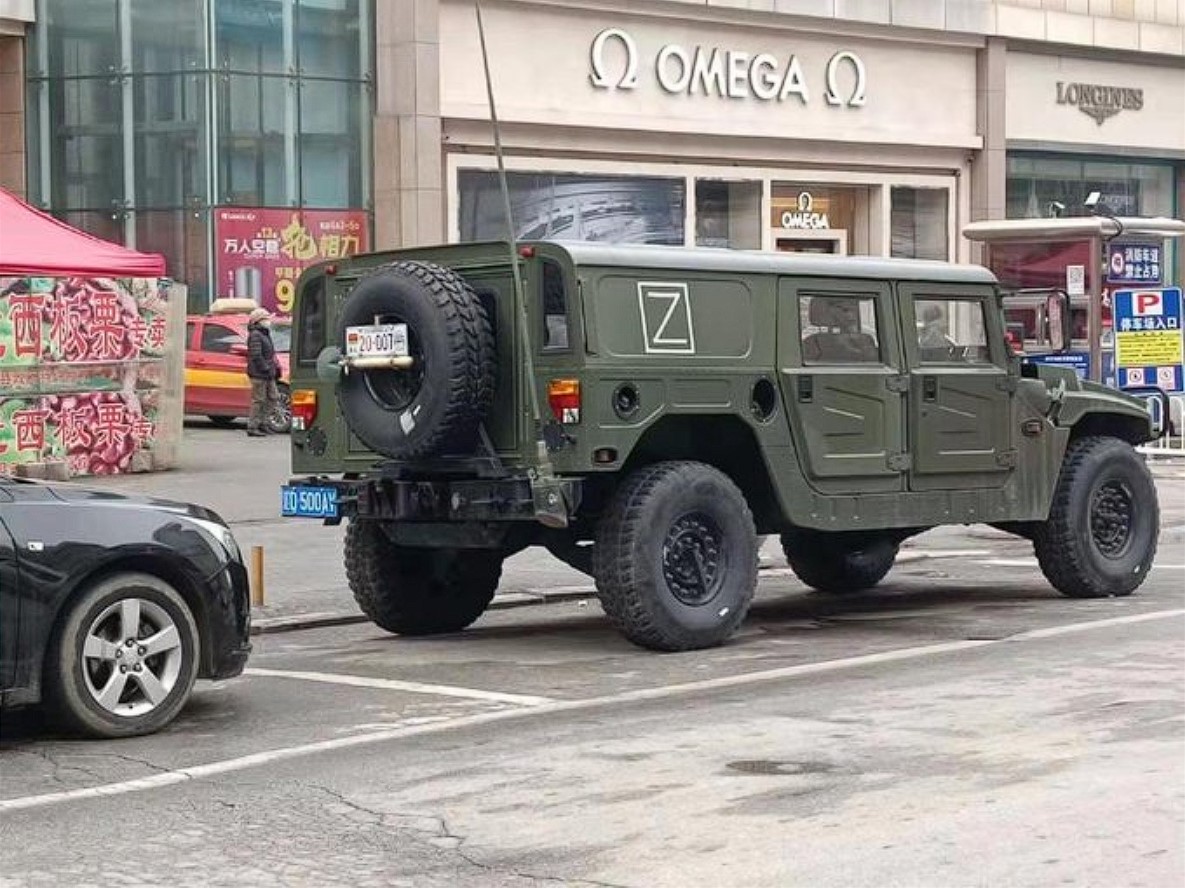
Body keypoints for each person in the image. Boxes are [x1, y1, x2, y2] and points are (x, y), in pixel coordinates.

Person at [246, 307, 280, 437]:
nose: (268, 321)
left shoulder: (265, 333)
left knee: (273, 397)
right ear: (259, 321)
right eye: (266, 319)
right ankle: (253, 426)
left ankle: (263, 423)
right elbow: (256, 355)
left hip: (268, 373)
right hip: (259, 373)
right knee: (258, 400)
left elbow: (269, 353)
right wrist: (265, 367)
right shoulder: (255, 334)